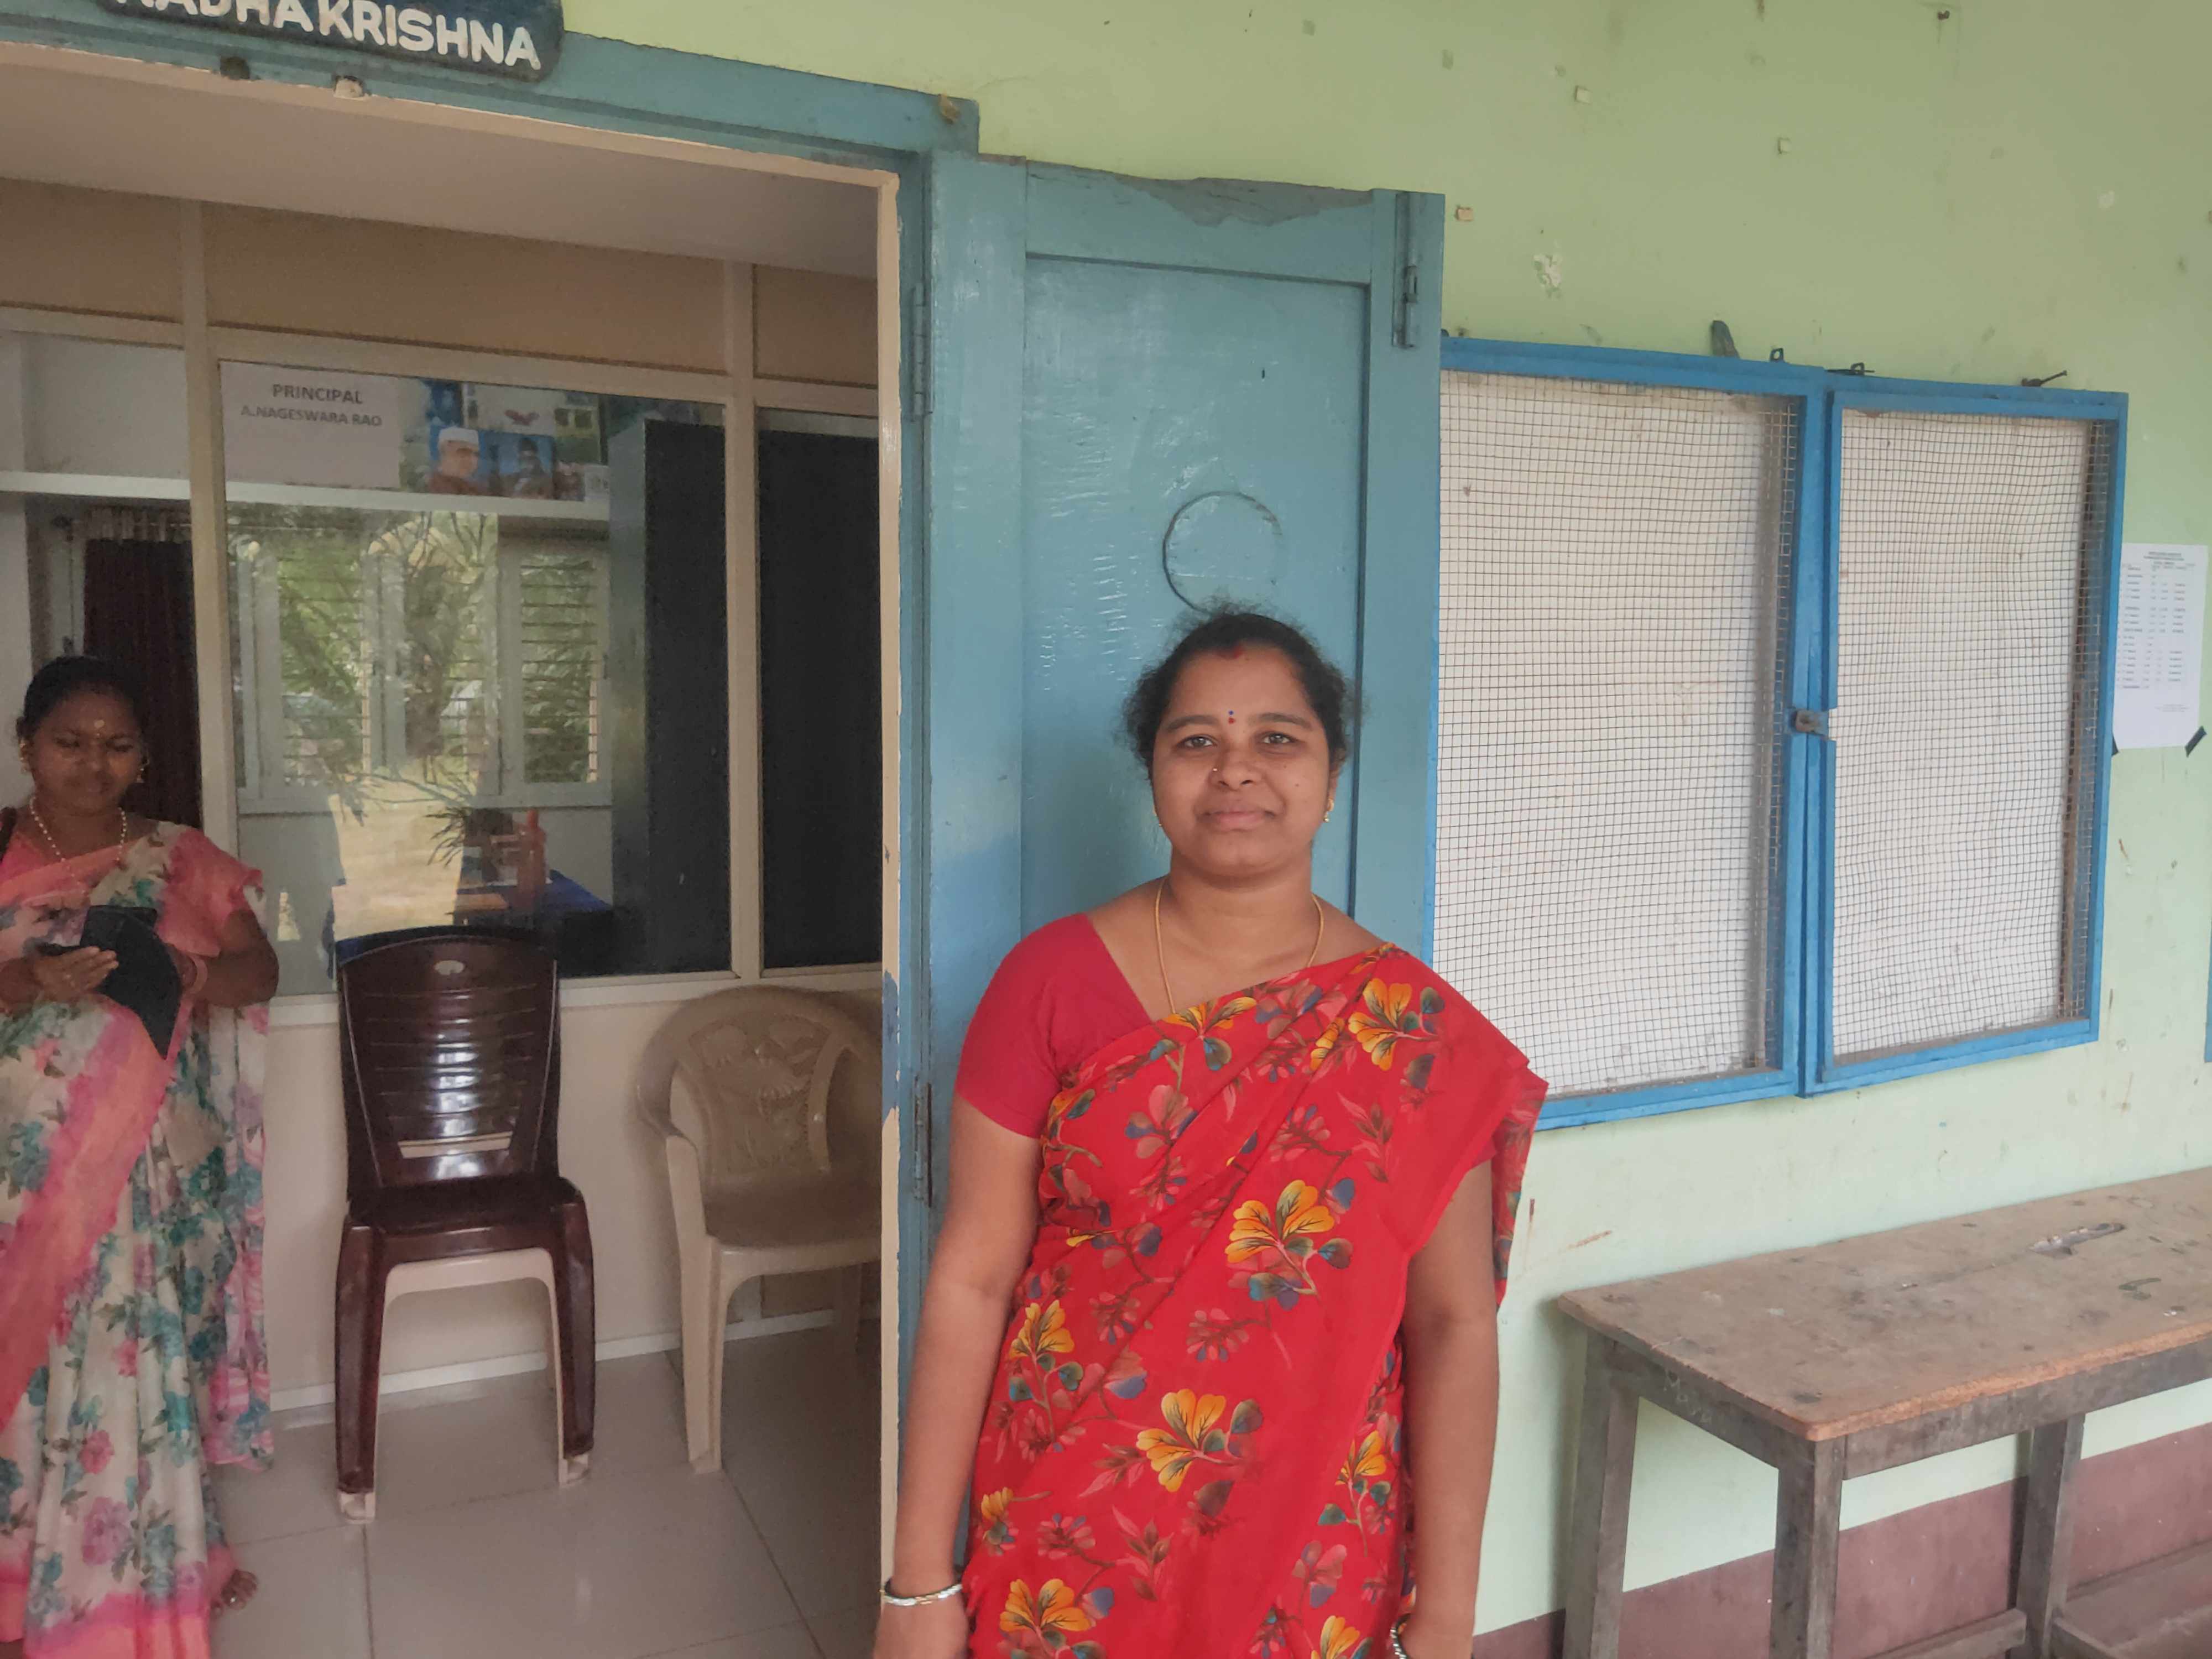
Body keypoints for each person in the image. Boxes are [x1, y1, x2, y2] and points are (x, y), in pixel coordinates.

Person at [877, 612, 1545, 1659]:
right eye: (1197, 740)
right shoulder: (1048, 984)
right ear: (1153, 774)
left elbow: (1454, 1325)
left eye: (1278, 738)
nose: (1236, 769)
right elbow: (971, 1278)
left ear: (1331, 777)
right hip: (1068, 1538)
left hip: (1314, 1554)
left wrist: (1448, 1616)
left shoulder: (1410, 1032)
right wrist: (919, 1585)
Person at [0, 657, 280, 1659]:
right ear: (27, 746)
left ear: (144, 757)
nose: (94, 763)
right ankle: (21, 1583)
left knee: (133, 1359)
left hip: (145, 1174)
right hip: (18, 1172)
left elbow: (262, 971)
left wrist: (192, 972)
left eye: (117, 745)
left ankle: (144, 1584)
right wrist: (31, 981)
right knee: (24, 1360)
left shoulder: (177, 856)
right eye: (70, 743)